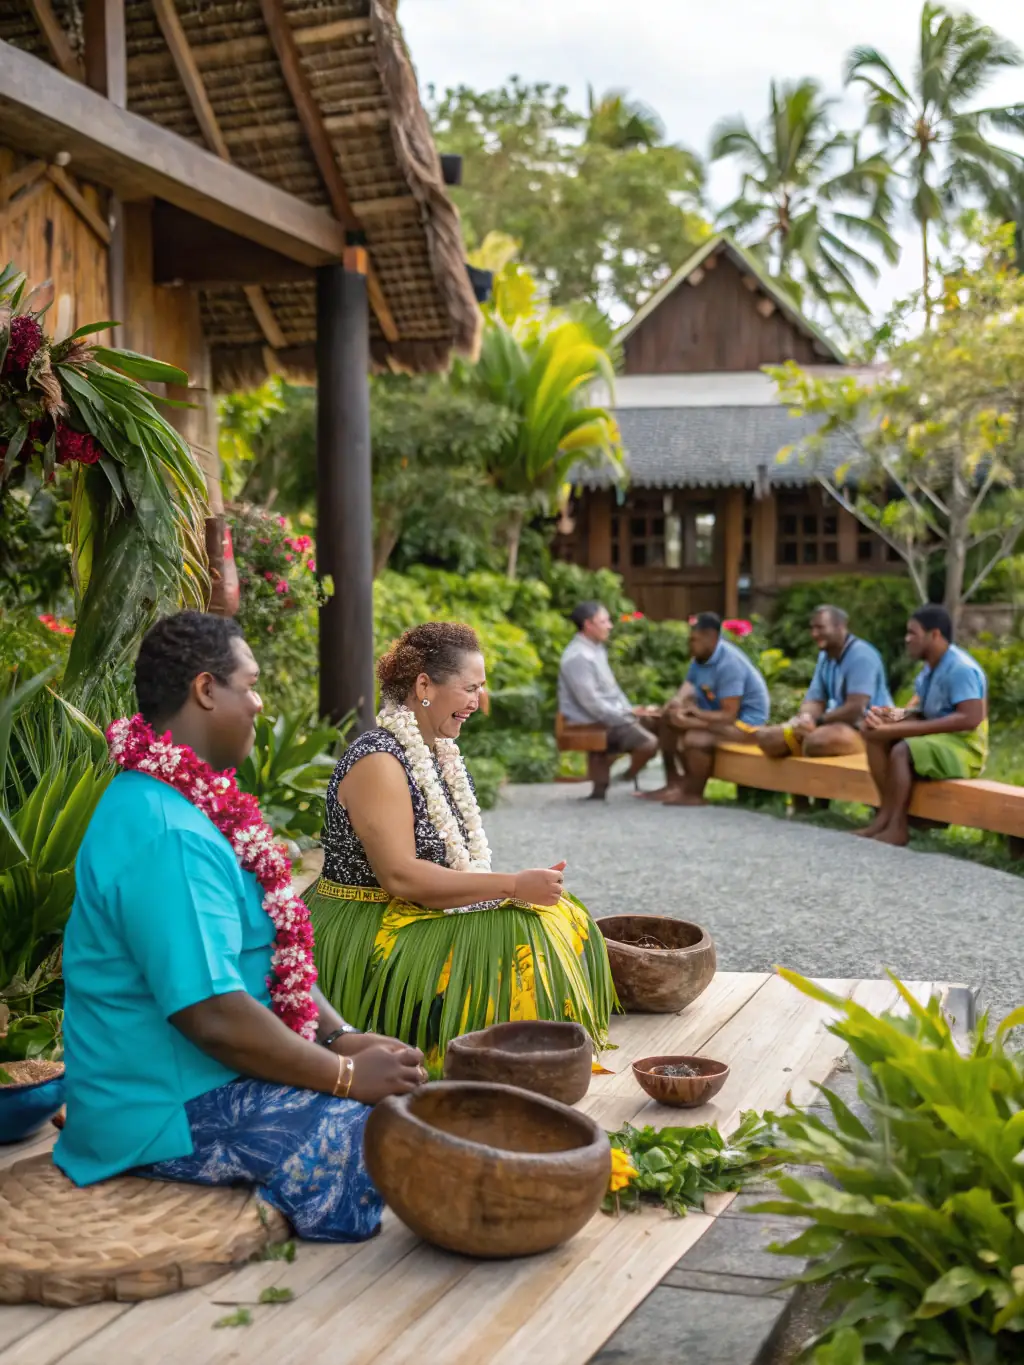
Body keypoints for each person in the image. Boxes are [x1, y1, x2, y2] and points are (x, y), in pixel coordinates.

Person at [56, 611, 425, 1242]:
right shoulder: (167, 831)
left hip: (216, 1076)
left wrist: (342, 1039)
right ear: (206, 690)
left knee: (409, 1096)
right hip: (161, 1111)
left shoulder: (194, 805)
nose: (259, 704)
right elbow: (212, 1013)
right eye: (249, 685)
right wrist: (341, 1077)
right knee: (382, 1133)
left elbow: (272, 949)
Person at [306, 622, 615, 1069]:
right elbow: (399, 876)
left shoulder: (437, 752)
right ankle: (495, 1063)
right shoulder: (380, 760)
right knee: (521, 930)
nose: (478, 701)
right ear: (424, 685)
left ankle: (532, 1054)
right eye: (470, 688)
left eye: (481, 688)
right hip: (368, 919)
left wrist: (510, 888)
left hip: (417, 908)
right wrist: (509, 885)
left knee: (565, 911)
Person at [858, 604, 988, 847]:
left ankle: (898, 827)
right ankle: (884, 814)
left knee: (902, 749)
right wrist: (887, 716)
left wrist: (900, 730)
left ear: (935, 635)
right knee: (873, 734)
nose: (907, 639)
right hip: (938, 742)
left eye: (912, 633)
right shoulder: (928, 671)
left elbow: (970, 718)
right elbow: (918, 711)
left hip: (964, 748)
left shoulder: (960, 669)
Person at [641, 613, 771, 807]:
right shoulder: (700, 658)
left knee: (694, 738)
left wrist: (694, 715)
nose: (690, 645)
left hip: (744, 726)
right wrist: (676, 704)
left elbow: (728, 716)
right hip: (715, 719)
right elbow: (689, 685)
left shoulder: (729, 665)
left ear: (711, 637)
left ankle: (694, 793)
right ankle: (674, 784)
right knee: (668, 719)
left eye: (695, 640)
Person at [757, 605, 892, 758]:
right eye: (812, 628)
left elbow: (855, 710)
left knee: (818, 742)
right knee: (767, 738)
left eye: (820, 628)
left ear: (840, 627)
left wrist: (819, 721)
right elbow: (815, 700)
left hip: (868, 728)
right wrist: (804, 720)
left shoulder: (862, 656)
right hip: (833, 725)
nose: (814, 634)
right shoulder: (825, 656)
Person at [557, 601, 659, 799]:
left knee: (658, 721)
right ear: (588, 625)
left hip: (607, 715)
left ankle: (612, 770)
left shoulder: (596, 649)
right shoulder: (578, 657)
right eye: (604, 621)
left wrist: (631, 710)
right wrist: (627, 715)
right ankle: (625, 776)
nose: (610, 626)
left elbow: (613, 691)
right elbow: (592, 704)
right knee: (649, 744)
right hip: (590, 719)